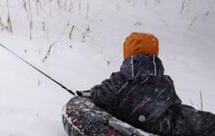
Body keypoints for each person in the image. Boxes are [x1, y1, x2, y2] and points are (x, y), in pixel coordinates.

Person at [77, 32, 215, 135]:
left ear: (127, 54)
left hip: (132, 123)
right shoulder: (165, 81)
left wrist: (91, 93)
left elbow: (102, 95)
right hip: (161, 126)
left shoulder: (120, 79)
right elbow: (173, 104)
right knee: (187, 117)